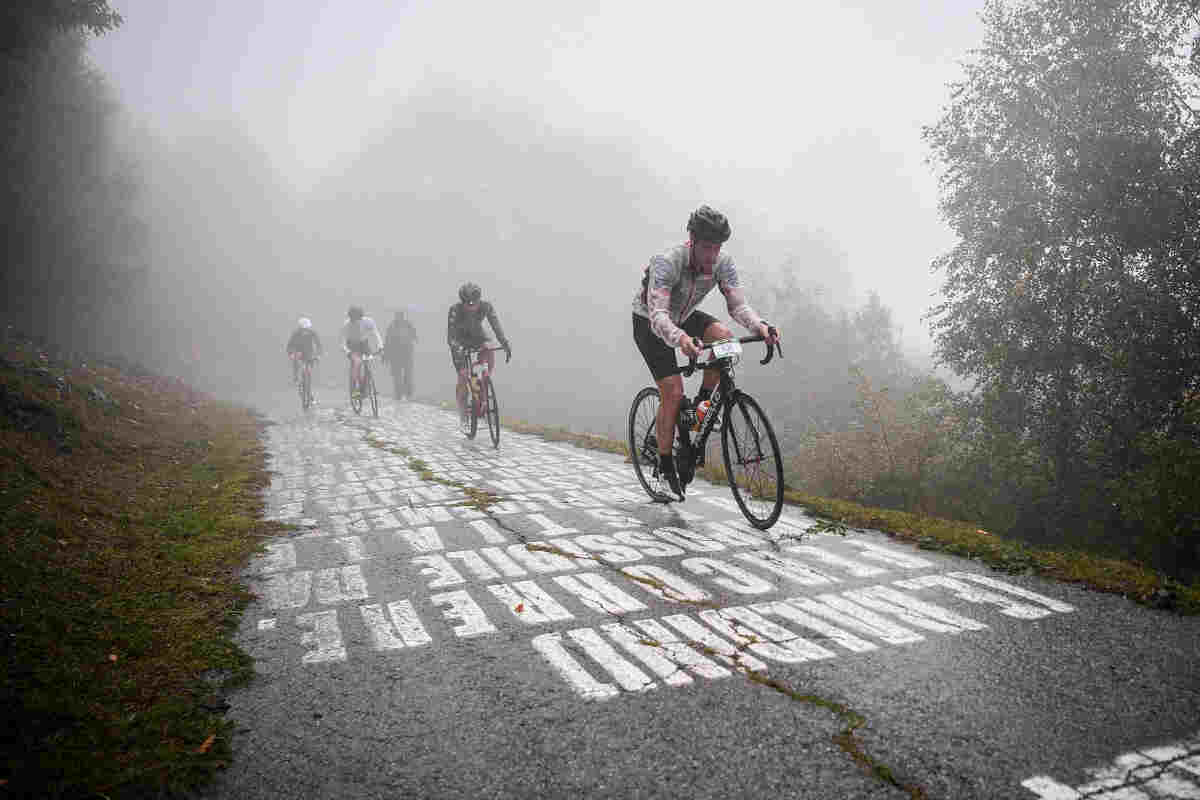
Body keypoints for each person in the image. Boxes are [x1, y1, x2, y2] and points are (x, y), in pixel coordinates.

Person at [631, 205, 781, 499]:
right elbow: (659, 316)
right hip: (650, 321)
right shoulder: (667, 262)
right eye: (707, 248)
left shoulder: (723, 264)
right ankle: (664, 463)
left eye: (717, 248)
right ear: (692, 240)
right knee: (672, 393)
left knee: (723, 337)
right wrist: (682, 340)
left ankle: (699, 407)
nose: (712, 256)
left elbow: (737, 305)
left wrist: (760, 326)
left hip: (684, 315)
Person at [447, 283, 511, 423]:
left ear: (478, 300)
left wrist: (504, 343)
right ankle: (463, 413)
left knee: (489, 349)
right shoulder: (455, 310)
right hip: (460, 341)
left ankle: (482, 386)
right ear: (461, 301)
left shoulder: (486, 307)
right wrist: (458, 357)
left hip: (478, 337)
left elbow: (496, 325)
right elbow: (451, 337)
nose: (470, 307)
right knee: (463, 376)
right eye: (467, 303)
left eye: (473, 303)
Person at [341, 305, 383, 402]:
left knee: (368, 362)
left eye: (356, 318)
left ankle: (364, 388)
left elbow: (376, 334)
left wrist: (380, 347)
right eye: (352, 319)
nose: (354, 321)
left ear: (361, 317)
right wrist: (348, 352)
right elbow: (342, 342)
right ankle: (355, 390)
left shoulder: (368, 321)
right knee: (356, 363)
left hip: (364, 344)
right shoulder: (347, 325)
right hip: (352, 345)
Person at [384, 310, 418, 400]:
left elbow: (387, 341)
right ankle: (403, 393)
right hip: (400, 354)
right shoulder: (401, 325)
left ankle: (404, 393)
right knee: (401, 375)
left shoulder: (395, 326)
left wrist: (386, 354)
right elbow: (414, 337)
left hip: (402, 354)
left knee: (402, 375)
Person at [286, 317, 323, 387]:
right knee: (296, 361)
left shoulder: (312, 333)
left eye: (306, 329)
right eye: (303, 329)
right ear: (300, 328)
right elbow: (289, 346)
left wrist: (318, 355)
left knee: (309, 368)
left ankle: (308, 385)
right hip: (298, 353)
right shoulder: (296, 333)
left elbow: (318, 345)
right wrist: (291, 354)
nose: (305, 331)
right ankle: (296, 377)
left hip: (309, 353)